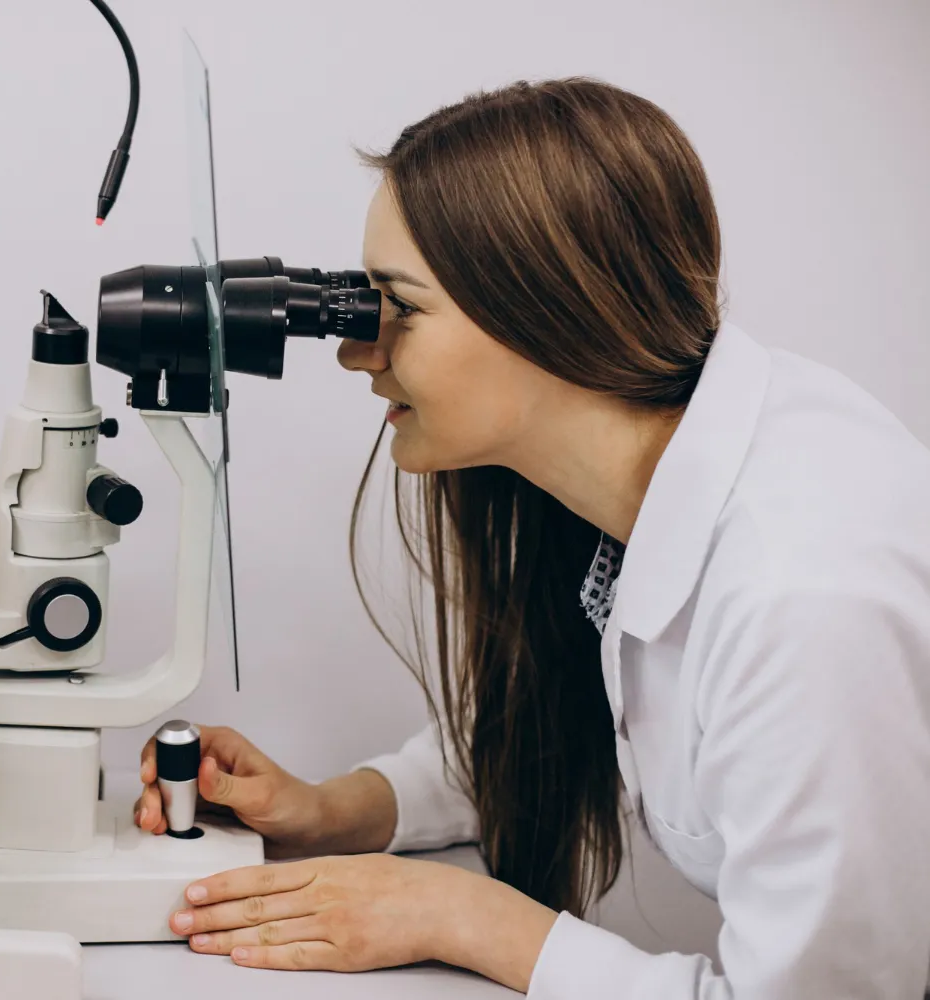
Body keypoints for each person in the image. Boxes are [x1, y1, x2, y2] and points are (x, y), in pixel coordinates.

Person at [134, 77, 930, 998]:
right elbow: (567, 704)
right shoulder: (642, 470)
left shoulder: (805, 598)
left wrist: (462, 916)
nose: (359, 351)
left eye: (400, 308)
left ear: (552, 313)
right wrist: (338, 809)